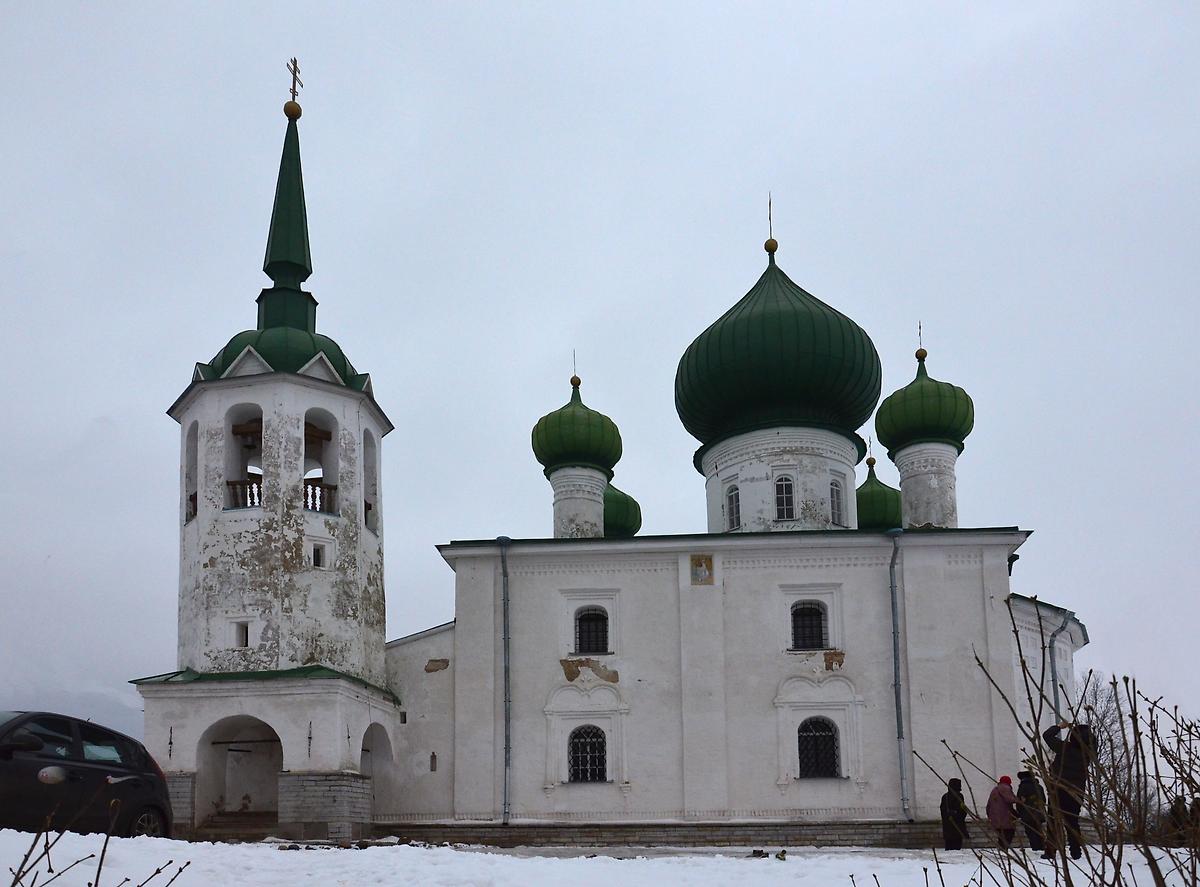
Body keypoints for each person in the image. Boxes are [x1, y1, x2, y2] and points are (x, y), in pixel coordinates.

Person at [1042, 720, 1096, 860]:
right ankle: (1076, 851)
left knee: (1053, 820)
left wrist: (1059, 727)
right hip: (1076, 792)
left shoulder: (1065, 748)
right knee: (1072, 822)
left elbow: (1047, 736)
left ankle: (1051, 850)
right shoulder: (1088, 754)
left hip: (1058, 789)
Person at [1016, 770, 1047, 851]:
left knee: (1030, 831)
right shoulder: (1039, 787)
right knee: (1039, 830)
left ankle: (1036, 847)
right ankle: (1042, 846)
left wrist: (1019, 812)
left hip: (1027, 813)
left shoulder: (1023, 787)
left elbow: (1020, 801)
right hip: (1039, 812)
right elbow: (1044, 800)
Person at [987, 776, 1018, 849]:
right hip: (1005, 817)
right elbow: (1010, 799)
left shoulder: (994, 790)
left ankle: (1002, 848)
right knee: (1009, 833)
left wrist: (990, 816)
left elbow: (988, 805)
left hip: (995, 818)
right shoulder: (1005, 788)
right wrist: (1020, 801)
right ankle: (1004, 848)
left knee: (1001, 835)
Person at [940, 778, 969, 850]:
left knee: (949, 847)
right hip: (957, 826)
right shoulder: (959, 796)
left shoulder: (945, 796)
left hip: (948, 826)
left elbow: (942, 811)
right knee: (957, 847)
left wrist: (947, 816)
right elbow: (962, 811)